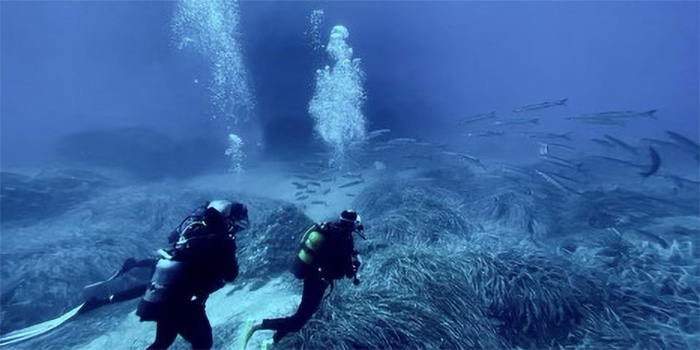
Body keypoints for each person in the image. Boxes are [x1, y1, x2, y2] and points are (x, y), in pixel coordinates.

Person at [241, 209, 364, 349]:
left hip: (312, 274)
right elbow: (348, 272)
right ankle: (258, 324)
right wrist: (356, 266)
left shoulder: (330, 228)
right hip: (318, 281)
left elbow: (331, 254)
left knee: (299, 316)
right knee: (298, 321)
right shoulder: (345, 239)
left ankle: (272, 342)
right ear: (353, 224)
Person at [135, 199, 249, 350]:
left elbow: (172, 239)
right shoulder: (222, 240)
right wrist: (229, 247)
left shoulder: (193, 228)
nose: (235, 231)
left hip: (166, 298)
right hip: (185, 303)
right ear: (228, 221)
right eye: (236, 226)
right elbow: (230, 275)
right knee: (203, 343)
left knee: (162, 342)